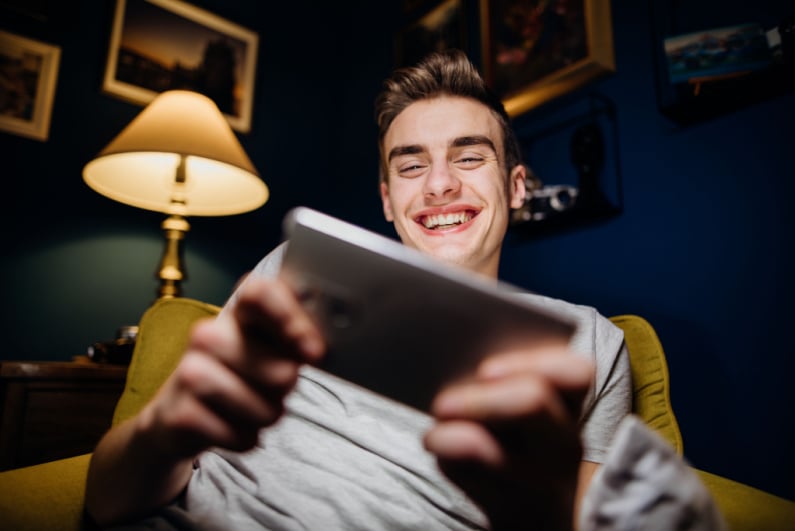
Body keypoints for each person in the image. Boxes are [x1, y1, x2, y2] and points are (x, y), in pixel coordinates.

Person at [86, 49, 633, 530]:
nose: (440, 184)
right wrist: (166, 430)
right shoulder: (292, 273)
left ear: (515, 187)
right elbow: (106, 503)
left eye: (468, 157)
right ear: (388, 201)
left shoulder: (590, 345)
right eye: (412, 165)